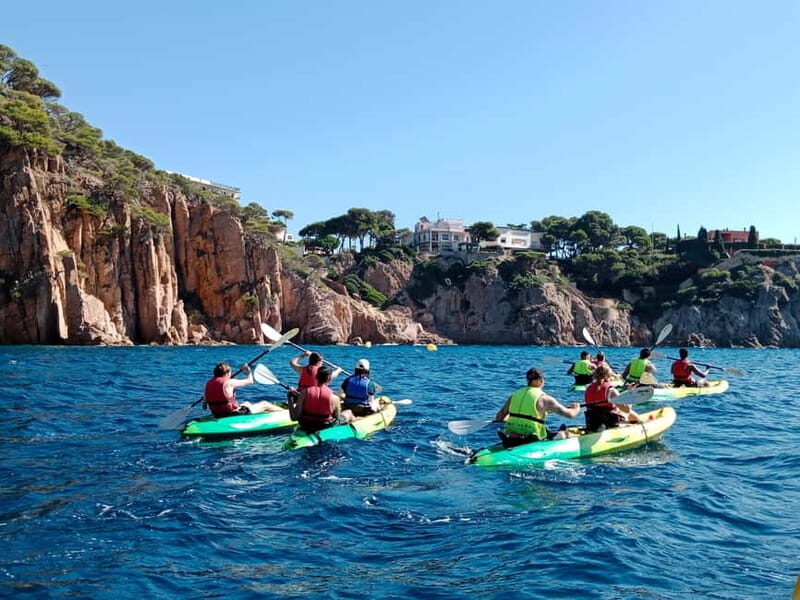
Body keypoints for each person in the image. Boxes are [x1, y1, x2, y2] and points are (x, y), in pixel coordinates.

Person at [494, 368, 581, 448]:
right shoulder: (545, 399)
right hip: (532, 440)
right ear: (541, 380)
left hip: (512, 438)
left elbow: (499, 417)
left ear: (527, 380)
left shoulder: (514, 395)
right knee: (563, 434)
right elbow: (570, 415)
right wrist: (576, 408)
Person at [203, 362, 283, 418]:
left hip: (217, 414)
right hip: (231, 414)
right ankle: (285, 413)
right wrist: (248, 371)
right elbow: (250, 381)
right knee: (264, 404)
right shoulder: (229, 382)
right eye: (230, 373)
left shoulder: (208, 383)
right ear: (227, 373)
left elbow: (204, 407)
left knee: (246, 403)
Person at [287, 366, 344, 433]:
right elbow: (337, 418)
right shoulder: (335, 398)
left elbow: (294, 418)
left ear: (316, 377)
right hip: (324, 427)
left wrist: (290, 398)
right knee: (347, 414)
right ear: (329, 378)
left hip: (305, 426)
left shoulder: (304, 393)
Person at [584, 365, 639, 432]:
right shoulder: (611, 391)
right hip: (609, 423)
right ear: (609, 376)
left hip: (592, 423)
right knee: (632, 414)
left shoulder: (588, 389)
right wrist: (630, 393)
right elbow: (627, 410)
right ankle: (639, 426)